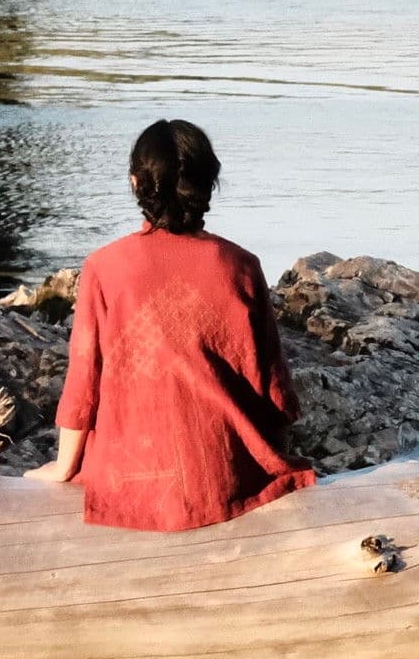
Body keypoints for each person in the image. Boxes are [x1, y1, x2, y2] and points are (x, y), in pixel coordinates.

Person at [23, 119, 314, 530]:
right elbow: (271, 388)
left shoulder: (104, 268)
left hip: (129, 478)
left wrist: (62, 468)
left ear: (135, 183)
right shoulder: (241, 267)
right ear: (209, 185)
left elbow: (84, 380)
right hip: (226, 479)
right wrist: (271, 460)